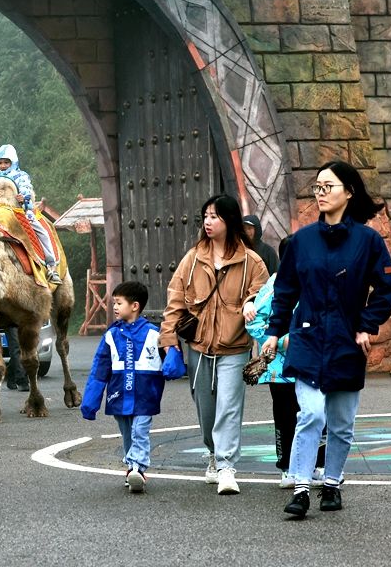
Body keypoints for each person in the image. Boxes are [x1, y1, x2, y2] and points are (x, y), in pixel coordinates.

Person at [262, 161, 391, 519]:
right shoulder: (302, 240)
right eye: (318, 187)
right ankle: (302, 488)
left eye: (328, 186)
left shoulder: (368, 241)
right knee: (310, 414)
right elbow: (285, 290)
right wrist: (275, 332)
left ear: (349, 192)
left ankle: (333, 484)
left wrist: (367, 325)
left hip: (347, 344)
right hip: (306, 340)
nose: (320, 193)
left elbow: (387, 288)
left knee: (341, 423)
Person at [160, 194, 269, 495]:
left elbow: (262, 296)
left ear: (229, 221)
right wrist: (169, 341)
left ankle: (226, 466)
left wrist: (250, 303)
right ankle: (212, 451)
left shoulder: (252, 262)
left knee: (229, 407)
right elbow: (175, 300)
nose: (207, 222)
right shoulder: (193, 258)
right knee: (206, 411)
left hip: (234, 346)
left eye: (214, 216)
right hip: (199, 347)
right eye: (205, 216)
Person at [244, 236, 326, 488]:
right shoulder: (273, 286)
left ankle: (318, 466)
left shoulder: (319, 283)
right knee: (286, 416)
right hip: (279, 368)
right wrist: (280, 341)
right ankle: (287, 467)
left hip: (314, 363)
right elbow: (254, 322)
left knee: (318, 414)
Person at [81, 281, 167, 493]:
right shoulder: (111, 335)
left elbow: (170, 356)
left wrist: (174, 363)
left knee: (140, 430)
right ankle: (132, 467)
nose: (115, 307)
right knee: (128, 432)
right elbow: (99, 369)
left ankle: (138, 467)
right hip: (118, 394)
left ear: (135, 306)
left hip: (146, 394)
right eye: (114, 303)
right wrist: (90, 401)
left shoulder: (154, 334)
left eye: (119, 303)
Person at [0, 144, 59, 283]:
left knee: (41, 231)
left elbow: (26, 190)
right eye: (0, 163)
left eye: (6, 162)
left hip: (18, 211)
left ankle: (51, 267)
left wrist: (23, 198)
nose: (3, 165)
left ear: (13, 162)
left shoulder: (21, 175)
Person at [5, 325, 29, 391]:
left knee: (25, 348)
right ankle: (22, 380)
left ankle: (11, 374)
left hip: (25, 319)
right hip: (11, 321)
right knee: (16, 348)